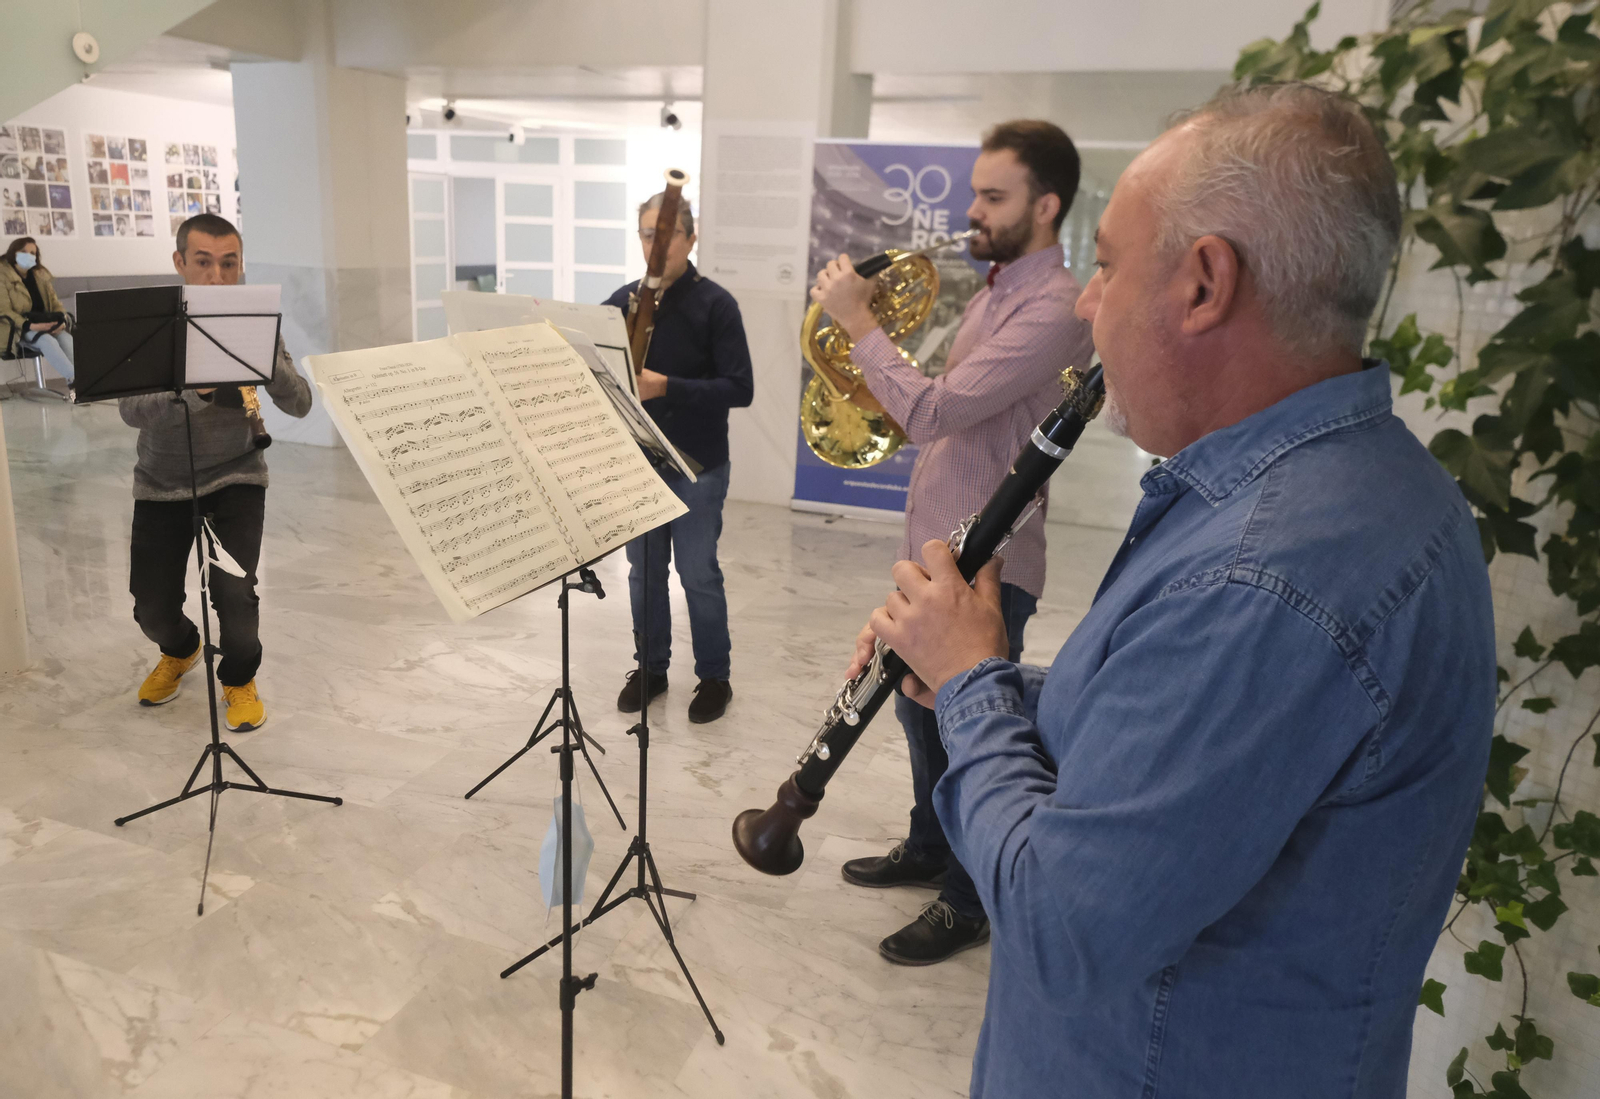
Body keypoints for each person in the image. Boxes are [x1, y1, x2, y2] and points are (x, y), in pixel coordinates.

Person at [856, 84, 1495, 1097]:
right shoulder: (1345, 488)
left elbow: (1061, 929)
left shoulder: (1268, 570)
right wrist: (981, 674)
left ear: (1203, 286)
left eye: (1105, 265)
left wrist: (975, 684)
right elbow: (1161, 752)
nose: (1083, 300)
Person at [810, 120, 1094, 965]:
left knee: (968, 727)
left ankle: (968, 898)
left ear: (1045, 206)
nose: (972, 210)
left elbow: (936, 409)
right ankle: (928, 846)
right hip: (940, 550)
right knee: (913, 711)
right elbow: (941, 415)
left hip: (987, 565)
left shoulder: (1053, 306)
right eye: (974, 192)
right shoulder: (996, 289)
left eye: (992, 196)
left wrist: (859, 323)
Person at [118, 213, 313, 731]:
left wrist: (269, 366)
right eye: (203, 263)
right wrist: (196, 390)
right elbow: (131, 411)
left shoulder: (255, 322)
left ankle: (239, 676)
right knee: (152, 608)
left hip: (237, 477)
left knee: (235, 595)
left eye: (229, 265)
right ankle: (181, 649)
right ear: (180, 262)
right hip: (161, 482)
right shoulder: (156, 327)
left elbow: (301, 405)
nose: (217, 278)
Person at [605, 193, 753, 724]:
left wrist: (665, 386)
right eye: (647, 234)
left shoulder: (716, 304)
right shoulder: (620, 302)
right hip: (637, 463)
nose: (655, 245)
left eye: (666, 235)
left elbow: (741, 388)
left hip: (698, 464)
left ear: (691, 238)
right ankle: (652, 669)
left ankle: (715, 677)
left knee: (698, 575)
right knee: (643, 574)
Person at [1, 237, 75, 384]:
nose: (28, 255)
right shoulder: (2, 276)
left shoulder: (40, 275)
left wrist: (61, 320)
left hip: (45, 324)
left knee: (67, 339)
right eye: (23, 252)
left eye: (32, 253)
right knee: (46, 340)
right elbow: (4, 311)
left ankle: (81, 385)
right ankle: (76, 381)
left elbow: (55, 304)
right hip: (17, 329)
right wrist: (31, 326)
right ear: (13, 253)